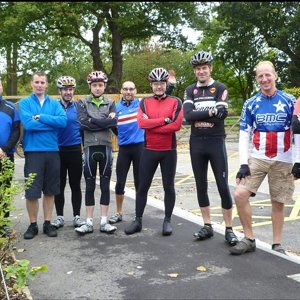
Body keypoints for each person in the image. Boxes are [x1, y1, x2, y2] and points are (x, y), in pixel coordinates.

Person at [230, 61, 298, 255]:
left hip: (283, 159)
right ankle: (249, 238)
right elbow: (244, 134)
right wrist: (243, 163)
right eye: (260, 76)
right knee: (240, 194)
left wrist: (299, 161)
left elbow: (298, 133)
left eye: (267, 75)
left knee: (278, 202)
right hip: (258, 158)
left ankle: (277, 244)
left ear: (275, 75)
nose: (264, 79)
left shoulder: (290, 101)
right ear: (257, 79)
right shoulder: (251, 103)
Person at [183, 50, 238, 246]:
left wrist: (203, 113)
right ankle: (207, 225)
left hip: (215, 141)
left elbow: (222, 114)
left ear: (210, 68)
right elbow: (187, 116)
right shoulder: (190, 90)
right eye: (198, 69)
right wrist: (211, 111)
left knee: (222, 185)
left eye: (204, 68)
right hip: (196, 142)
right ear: (195, 71)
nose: (201, 71)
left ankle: (229, 228)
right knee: (200, 184)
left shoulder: (220, 87)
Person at [109, 74, 178, 225]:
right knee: (120, 182)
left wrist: (171, 84)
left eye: (131, 89)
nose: (128, 91)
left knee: (140, 183)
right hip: (124, 148)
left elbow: (161, 98)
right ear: (121, 91)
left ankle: (137, 215)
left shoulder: (141, 103)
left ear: (135, 91)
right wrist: (122, 136)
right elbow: (113, 126)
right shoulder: (116, 107)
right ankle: (119, 212)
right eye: (126, 89)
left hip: (140, 147)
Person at [124, 67, 183, 236]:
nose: (159, 87)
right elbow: (141, 124)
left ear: (166, 84)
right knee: (142, 186)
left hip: (168, 151)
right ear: (151, 85)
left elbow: (176, 126)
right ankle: (138, 220)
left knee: (168, 186)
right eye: (156, 84)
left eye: (162, 83)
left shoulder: (175, 102)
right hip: (149, 150)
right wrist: (163, 121)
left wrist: (153, 125)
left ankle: (167, 221)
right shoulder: (144, 102)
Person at [19, 71, 67, 239]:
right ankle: (33, 225)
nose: (39, 85)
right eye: (36, 82)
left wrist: (41, 117)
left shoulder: (54, 104)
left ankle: (47, 223)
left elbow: (63, 122)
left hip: (52, 151)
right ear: (32, 84)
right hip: (33, 152)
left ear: (47, 85)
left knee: (50, 189)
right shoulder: (24, 103)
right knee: (32, 191)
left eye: (42, 82)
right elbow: (28, 124)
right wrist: (49, 123)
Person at [75, 70, 118, 235]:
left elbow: (113, 122)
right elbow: (83, 124)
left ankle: (105, 222)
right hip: (89, 148)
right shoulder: (82, 103)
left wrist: (93, 121)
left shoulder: (110, 103)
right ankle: (88, 222)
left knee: (106, 185)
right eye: (95, 85)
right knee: (90, 185)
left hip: (106, 147)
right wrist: (104, 122)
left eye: (100, 85)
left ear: (104, 86)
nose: (98, 88)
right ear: (90, 86)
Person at [51, 76, 85, 229]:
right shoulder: (53, 107)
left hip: (74, 150)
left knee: (75, 184)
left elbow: (83, 129)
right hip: (57, 150)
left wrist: (84, 149)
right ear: (60, 91)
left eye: (70, 89)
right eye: (65, 89)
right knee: (59, 184)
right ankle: (59, 216)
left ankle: (77, 216)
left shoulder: (78, 107)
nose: (68, 92)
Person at [0, 76, 21, 236]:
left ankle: (4, 223)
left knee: (5, 189)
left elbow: (16, 131)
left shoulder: (11, 107)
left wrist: (5, 149)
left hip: (6, 155)